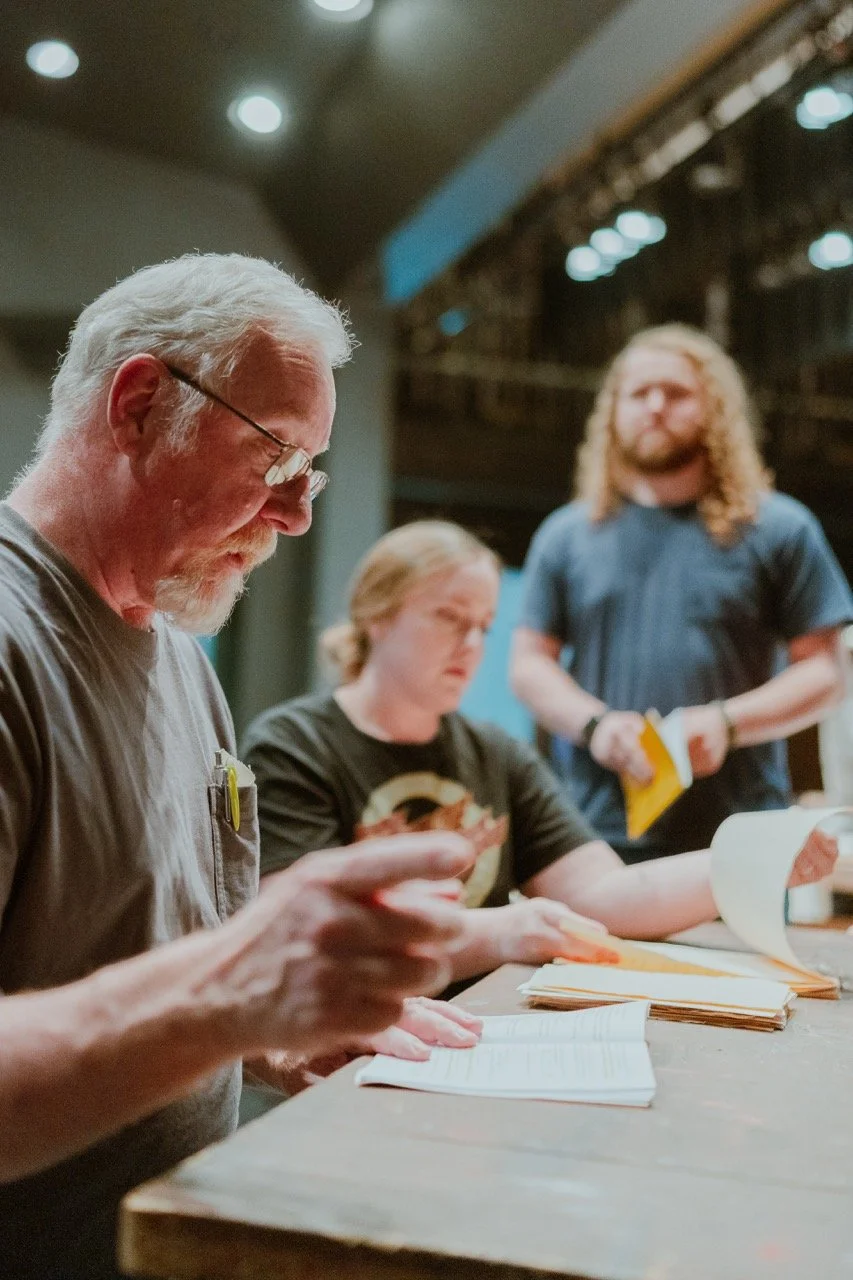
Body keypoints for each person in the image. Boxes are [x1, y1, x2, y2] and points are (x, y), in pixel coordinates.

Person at [0, 254, 480, 1280]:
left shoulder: (179, 654)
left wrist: (271, 1034)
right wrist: (231, 994)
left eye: (310, 474)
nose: (296, 513)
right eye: (273, 460)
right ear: (138, 406)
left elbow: (122, 963)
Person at [243, 520, 836, 984]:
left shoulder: (495, 754)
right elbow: (303, 931)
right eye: (448, 617)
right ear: (376, 616)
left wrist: (750, 856)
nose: (470, 645)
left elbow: (611, 898)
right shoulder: (295, 746)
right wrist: (503, 930)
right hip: (345, 1052)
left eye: (483, 625)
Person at [510, 324, 853, 862]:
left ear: (714, 409)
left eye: (676, 393)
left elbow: (828, 675)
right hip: (590, 835)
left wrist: (726, 723)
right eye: (638, 393)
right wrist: (595, 725)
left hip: (739, 837)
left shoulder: (780, 529)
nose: (655, 407)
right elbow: (529, 666)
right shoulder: (568, 534)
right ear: (613, 411)